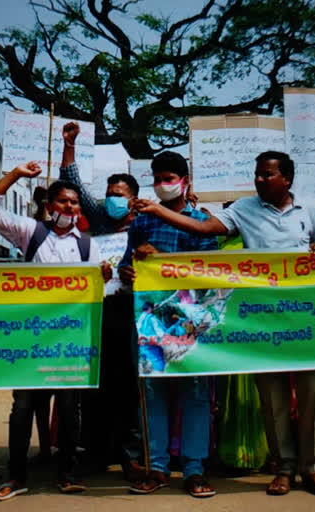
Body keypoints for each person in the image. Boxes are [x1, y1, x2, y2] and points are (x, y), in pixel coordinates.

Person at [135, 150, 315, 496]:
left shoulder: (310, 210)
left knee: (311, 393)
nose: (258, 179)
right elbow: (202, 229)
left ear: (287, 179)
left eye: (266, 175)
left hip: (304, 317)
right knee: (272, 399)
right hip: (262, 319)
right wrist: (158, 211)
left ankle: (312, 466)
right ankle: (284, 467)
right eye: (257, 174)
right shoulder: (243, 209)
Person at [0, 161, 99, 501]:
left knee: (69, 406)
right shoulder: (32, 232)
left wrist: (103, 277)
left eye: (74, 203)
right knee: (23, 406)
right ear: (49, 206)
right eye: (63, 202)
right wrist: (16, 175)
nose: (70, 208)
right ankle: (14, 477)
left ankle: (67, 473)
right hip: (31, 338)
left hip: (70, 340)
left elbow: (99, 291)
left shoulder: (87, 246)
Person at [120, 150, 218, 499]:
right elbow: (125, 265)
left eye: (168, 179)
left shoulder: (202, 221)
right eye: (157, 178)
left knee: (194, 393)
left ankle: (194, 469)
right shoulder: (143, 222)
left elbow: (209, 271)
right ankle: (157, 467)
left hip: (191, 321)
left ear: (184, 182)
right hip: (149, 321)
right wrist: (128, 269)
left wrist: (159, 260)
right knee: (152, 392)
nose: (162, 185)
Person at [59, 121, 144, 479]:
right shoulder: (99, 222)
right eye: (109, 191)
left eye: (119, 192)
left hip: (131, 313)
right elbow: (73, 182)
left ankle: (131, 454)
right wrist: (69, 145)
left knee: (127, 384)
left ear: (134, 199)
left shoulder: (146, 226)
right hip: (97, 313)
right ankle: (95, 451)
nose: (112, 197)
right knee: (95, 385)